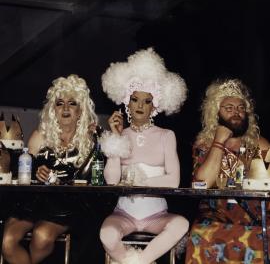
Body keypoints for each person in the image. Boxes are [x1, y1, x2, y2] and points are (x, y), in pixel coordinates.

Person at [99, 48, 189, 264]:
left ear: (154, 105)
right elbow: (111, 180)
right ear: (126, 103)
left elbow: (173, 180)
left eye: (146, 101)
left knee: (182, 224)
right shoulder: (120, 135)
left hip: (157, 216)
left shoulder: (167, 135)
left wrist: (139, 180)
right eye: (135, 99)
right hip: (123, 215)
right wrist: (116, 137)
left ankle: (138, 262)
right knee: (106, 235)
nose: (140, 105)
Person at [2, 74, 98, 264]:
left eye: (72, 103)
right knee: (7, 241)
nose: (65, 108)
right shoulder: (40, 136)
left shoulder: (90, 140)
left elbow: (94, 179)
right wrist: (35, 173)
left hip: (66, 205)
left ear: (81, 110)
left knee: (42, 237)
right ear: (53, 109)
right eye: (59, 103)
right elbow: (23, 172)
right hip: (34, 202)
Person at [185, 79, 270, 263]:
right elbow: (202, 185)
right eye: (229, 108)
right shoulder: (205, 146)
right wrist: (219, 142)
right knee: (202, 234)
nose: (236, 113)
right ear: (215, 113)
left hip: (255, 216)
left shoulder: (258, 144)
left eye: (240, 108)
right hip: (215, 217)